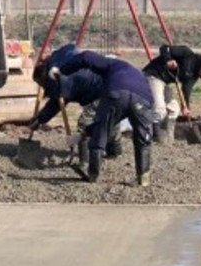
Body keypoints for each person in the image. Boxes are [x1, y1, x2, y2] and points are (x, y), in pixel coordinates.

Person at [54, 49, 155, 186]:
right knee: (144, 139)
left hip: (116, 94)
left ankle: (93, 175)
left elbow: (86, 56)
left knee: (100, 133)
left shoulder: (111, 64)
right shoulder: (138, 74)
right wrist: (84, 134)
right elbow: (117, 120)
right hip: (144, 99)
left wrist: (62, 71)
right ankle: (143, 178)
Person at [141, 45, 201, 143]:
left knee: (174, 109)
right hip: (152, 76)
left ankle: (169, 140)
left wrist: (185, 107)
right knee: (159, 109)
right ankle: (154, 137)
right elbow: (164, 48)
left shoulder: (194, 75)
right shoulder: (186, 53)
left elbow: (186, 90)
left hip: (163, 82)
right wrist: (168, 60)